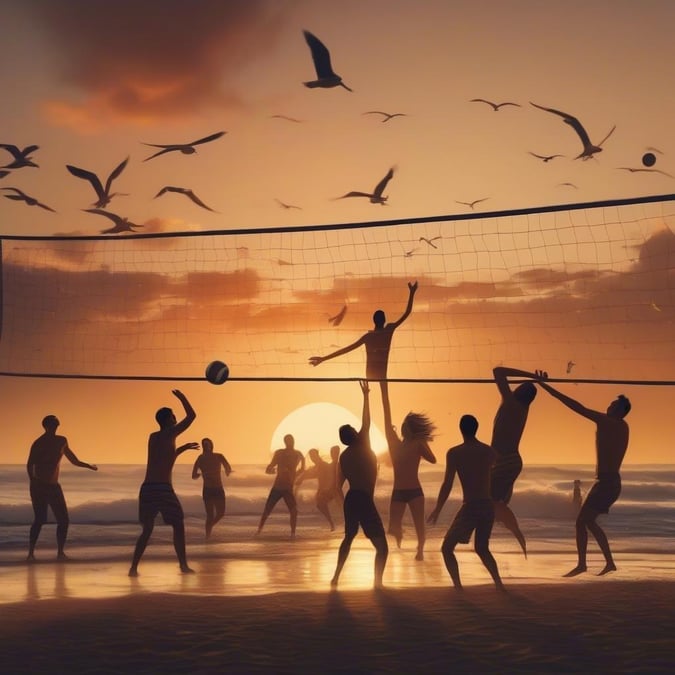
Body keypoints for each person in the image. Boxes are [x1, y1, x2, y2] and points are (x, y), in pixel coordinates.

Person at [535, 374, 631, 577]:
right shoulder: (619, 425)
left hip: (608, 483)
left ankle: (583, 564)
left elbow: (576, 406)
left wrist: (545, 386)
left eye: (614, 405)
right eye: (610, 404)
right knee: (588, 522)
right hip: (607, 482)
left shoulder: (612, 423)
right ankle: (608, 562)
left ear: (622, 411)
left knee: (582, 522)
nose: (609, 407)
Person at [309, 281, 418, 408]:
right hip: (380, 373)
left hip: (371, 374)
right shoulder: (387, 330)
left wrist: (323, 359)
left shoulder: (370, 336)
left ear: (374, 321)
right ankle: (387, 425)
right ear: (384, 320)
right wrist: (412, 293)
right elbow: (407, 313)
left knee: (372, 398)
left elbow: (346, 349)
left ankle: (381, 422)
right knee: (384, 399)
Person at [427, 414, 504, 591]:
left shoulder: (455, 453)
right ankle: (499, 585)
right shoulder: (489, 451)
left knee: (447, 548)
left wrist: (438, 509)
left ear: (461, 429)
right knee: (482, 548)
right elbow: (501, 475)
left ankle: (458, 587)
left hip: (471, 507)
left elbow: (447, 484)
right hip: (487, 506)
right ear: (476, 428)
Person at [129, 390, 199, 577]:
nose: (176, 418)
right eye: (173, 416)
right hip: (162, 488)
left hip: (147, 488)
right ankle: (183, 565)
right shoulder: (170, 433)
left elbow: (164, 460)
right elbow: (192, 416)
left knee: (147, 530)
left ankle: (133, 568)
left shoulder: (154, 437)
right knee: (178, 524)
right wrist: (182, 397)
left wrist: (181, 449)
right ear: (168, 420)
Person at [331, 380, 388, 588]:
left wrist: (341, 504)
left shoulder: (344, 457)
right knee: (382, 547)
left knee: (348, 537)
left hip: (351, 499)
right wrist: (366, 396)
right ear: (353, 435)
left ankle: (336, 577)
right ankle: (377, 584)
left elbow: (337, 486)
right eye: (354, 429)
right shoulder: (363, 442)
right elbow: (367, 421)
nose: (358, 429)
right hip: (363, 499)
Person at [26, 415, 98, 561]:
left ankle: (60, 553)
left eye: (55, 425)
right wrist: (33, 481)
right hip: (39, 485)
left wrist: (89, 466)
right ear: (45, 426)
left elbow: (74, 460)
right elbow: (30, 464)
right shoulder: (38, 443)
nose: (54, 428)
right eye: (51, 425)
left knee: (64, 520)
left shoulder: (61, 441)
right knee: (40, 519)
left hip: (54, 486)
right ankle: (31, 553)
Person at [489, 366, 542, 557]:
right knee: (497, 502)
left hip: (503, 461)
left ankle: (513, 533)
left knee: (493, 501)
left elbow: (498, 371)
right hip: (512, 461)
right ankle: (514, 534)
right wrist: (535, 381)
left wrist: (531, 376)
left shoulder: (510, 401)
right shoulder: (523, 408)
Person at [382, 387, 436, 560]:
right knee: (392, 527)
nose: (404, 427)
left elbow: (433, 460)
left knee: (419, 524)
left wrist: (422, 443)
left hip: (415, 491)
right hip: (398, 491)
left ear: (412, 429)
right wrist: (384, 389)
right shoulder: (394, 444)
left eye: (407, 425)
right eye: (403, 424)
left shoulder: (417, 444)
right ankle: (399, 533)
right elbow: (386, 416)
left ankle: (420, 550)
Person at [256, 434, 305, 539]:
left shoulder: (298, 454)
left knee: (294, 511)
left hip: (288, 488)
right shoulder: (279, 453)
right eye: (287, 441)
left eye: (291, 440)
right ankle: (258, 531)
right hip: (278, 487)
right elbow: (269, 468)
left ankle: (293, 534)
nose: (290, 442)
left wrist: (295, 475)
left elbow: (302, 469)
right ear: (285, 442)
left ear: (293, 441)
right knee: (267, 510)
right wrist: (272, 471)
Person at [192, 437, 232, 539]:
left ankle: (209, 527)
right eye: (204, 444)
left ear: (211, 445)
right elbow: (193, 475)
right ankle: (207, 536)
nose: (206, 446)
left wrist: (228, 471)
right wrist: (199, 475)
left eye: (207, 444)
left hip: (218, 489)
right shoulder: (200, 458)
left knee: (221, 513)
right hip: (208, 490)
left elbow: (228, 467)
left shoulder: (219, 456)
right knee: (210, 515)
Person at [296, 448, 342, 530]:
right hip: (325, 490)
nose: (312, 459)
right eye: (311, 457)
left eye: (314, 456)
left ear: (317, 455)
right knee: (321, 504)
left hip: (331, 490)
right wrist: (300, 478)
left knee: (339, 506)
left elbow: (330, 476)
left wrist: (328, 488)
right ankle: (333, 523)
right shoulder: (317, 466)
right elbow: (311, 474)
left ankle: (338, 523)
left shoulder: (323, 465)